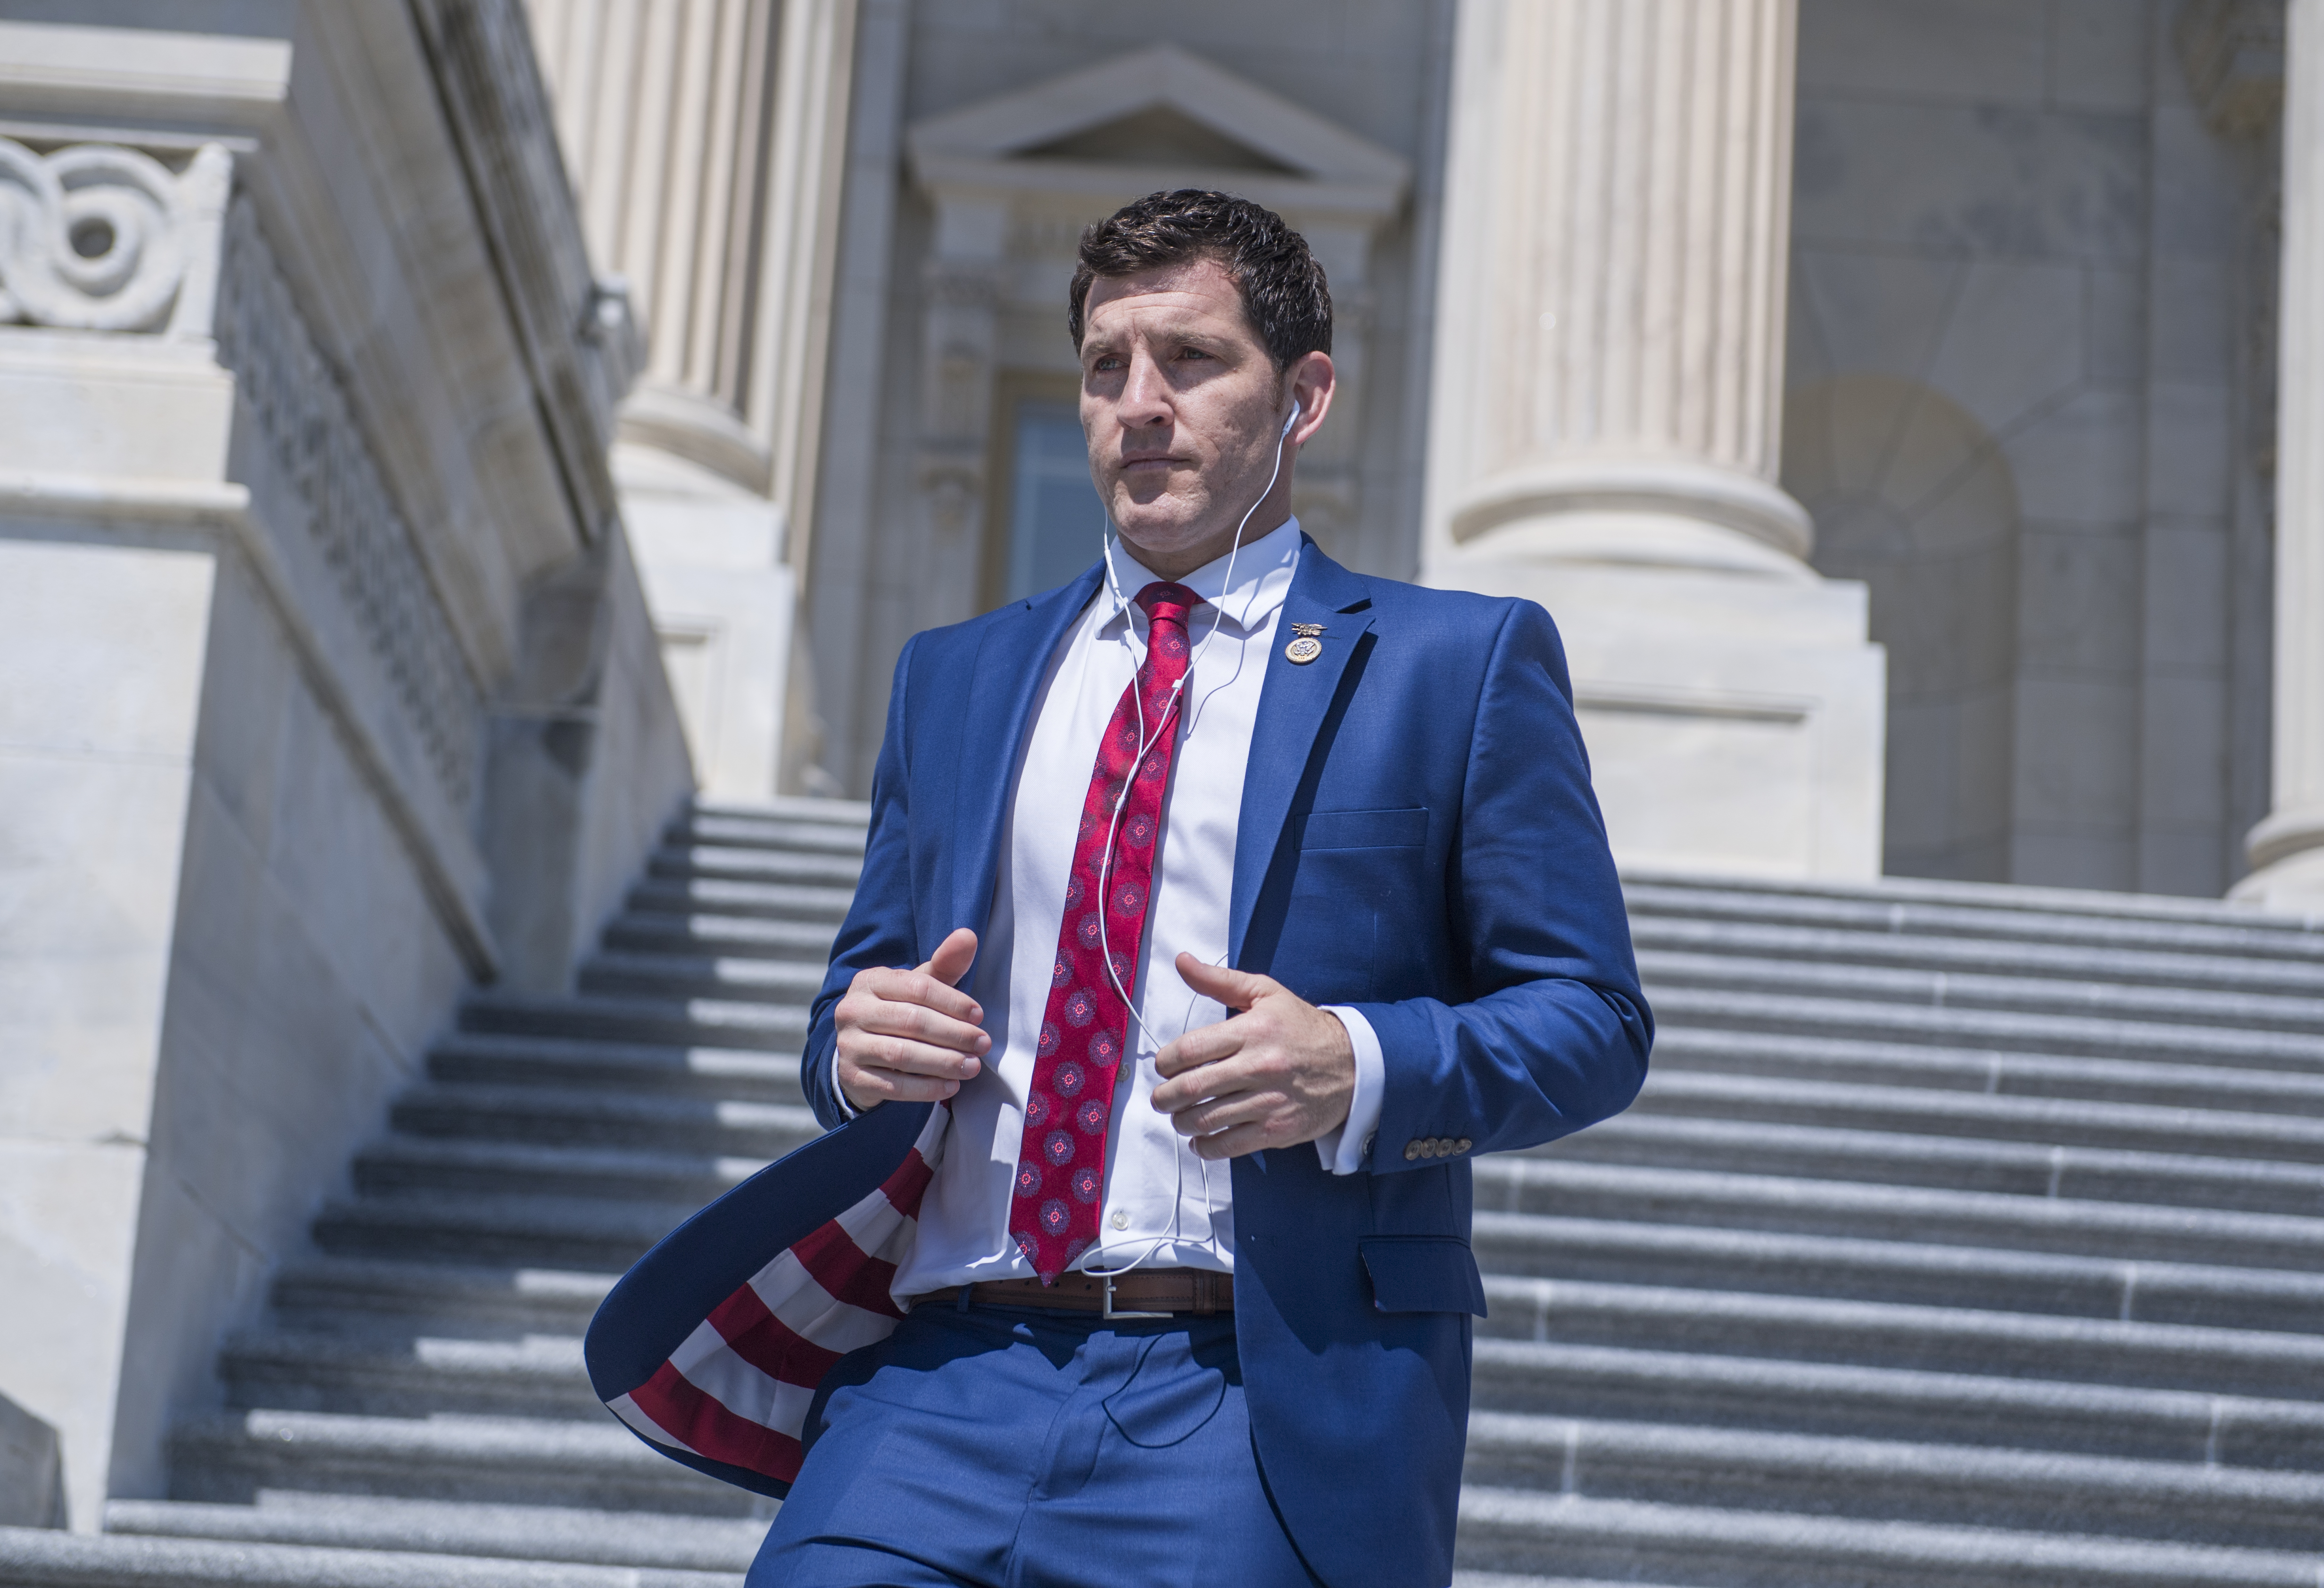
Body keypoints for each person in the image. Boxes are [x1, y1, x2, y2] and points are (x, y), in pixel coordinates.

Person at [583, 188, 1652, 1588]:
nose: (1137, 404)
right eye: (1104, 367)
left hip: (1248, 1383)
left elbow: (1591, 1022)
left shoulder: (1458, 666)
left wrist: (1357, 1060)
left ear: (1304, 396)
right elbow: (859, 998)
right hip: (942, 1372)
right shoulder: (952, 677)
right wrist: (856, 1047)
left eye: (1191, 362)